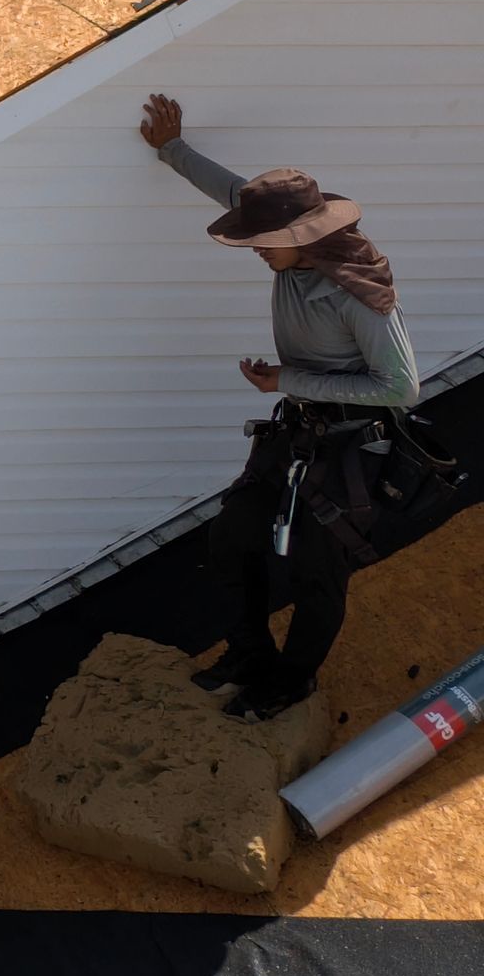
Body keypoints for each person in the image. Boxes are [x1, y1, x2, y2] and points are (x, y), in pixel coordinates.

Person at [140, 94, 420, 721]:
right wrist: (171, 148)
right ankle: (247, 654)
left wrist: (291, 379)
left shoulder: (359, 297)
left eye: (266, 241)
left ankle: (291, 681)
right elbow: (234, 192)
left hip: (349, 450)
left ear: (305, 237)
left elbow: (401, 388)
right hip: (294, 431)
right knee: (232, 537)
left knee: (319, 575)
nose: (255, 248)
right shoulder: (292, 248)